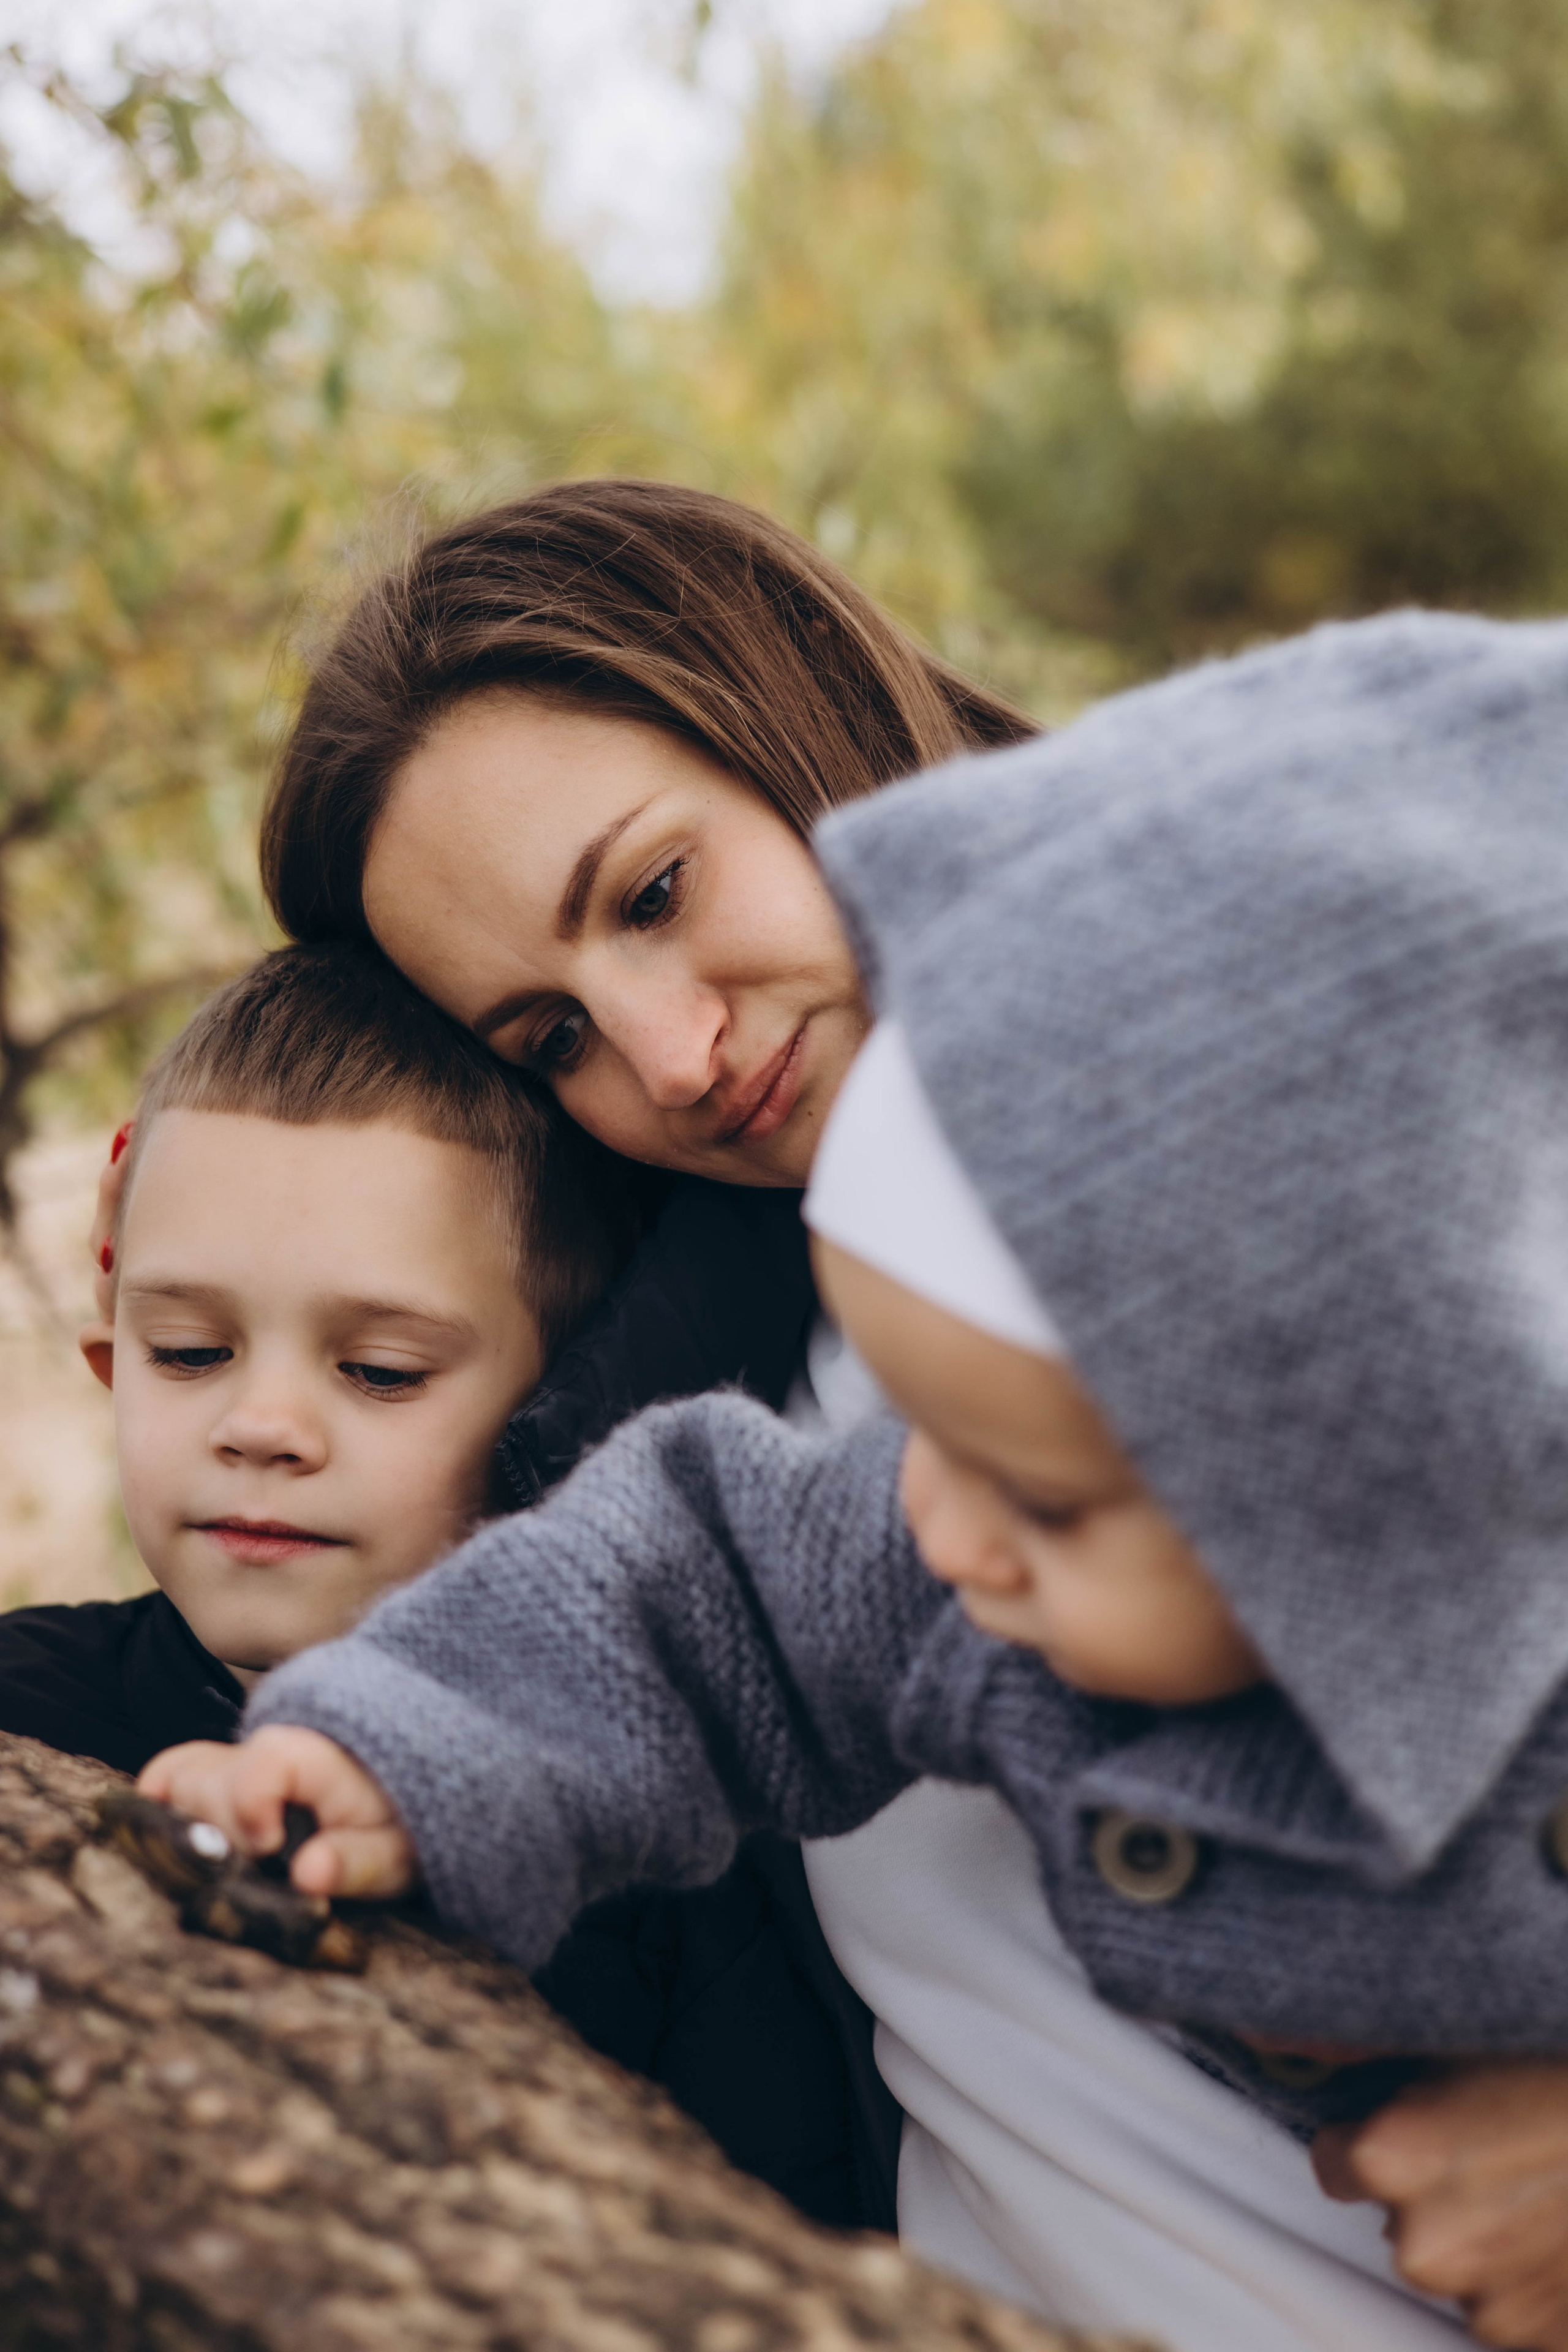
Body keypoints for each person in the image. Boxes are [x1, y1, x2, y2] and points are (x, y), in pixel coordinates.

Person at [90, 483, 1568, 2345]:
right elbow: (690, 1596)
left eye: (655, 893)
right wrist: (379, 1752)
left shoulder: (1372, 1147)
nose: (670, 1057)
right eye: (545, 1039)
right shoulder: (714, 1417)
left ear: (796, 696)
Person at [0, 942, 632, 1776]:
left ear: (557, 1410)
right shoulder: (19, 1706)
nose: (260, 1427)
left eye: (381, 1370)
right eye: (189, 1354)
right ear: (112, 1370)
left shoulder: (652, 1823)